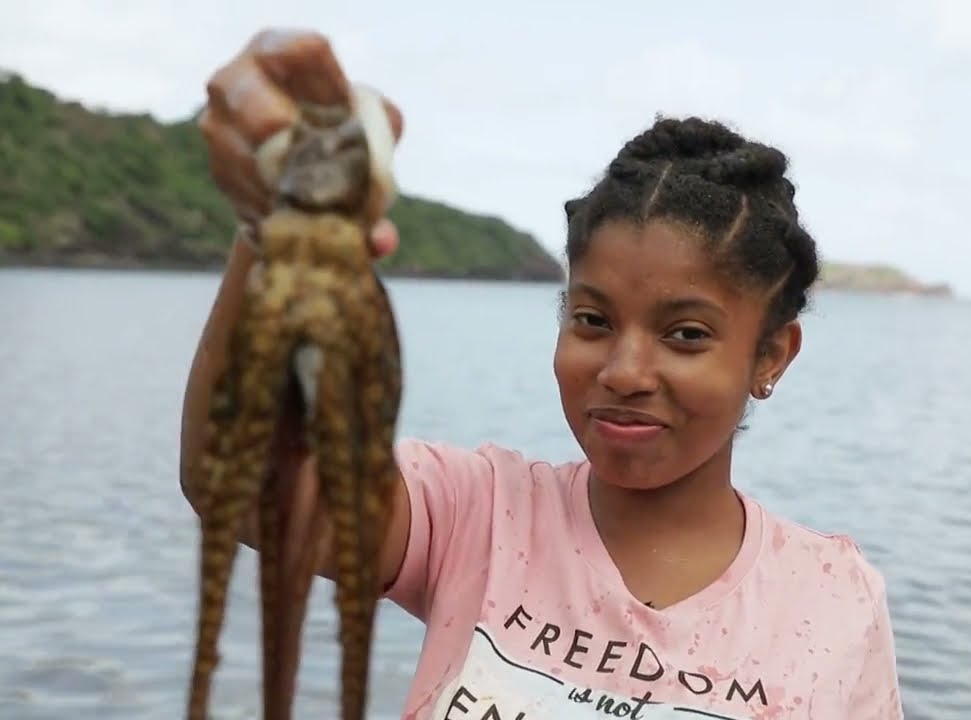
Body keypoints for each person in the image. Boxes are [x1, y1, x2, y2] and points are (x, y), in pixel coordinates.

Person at [179, 29, 905, 720]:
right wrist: (270, 230)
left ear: (771, 355)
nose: (624, 371)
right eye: (592, 320)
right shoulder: (477, 514)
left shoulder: (830, 601)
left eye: (686, 334)